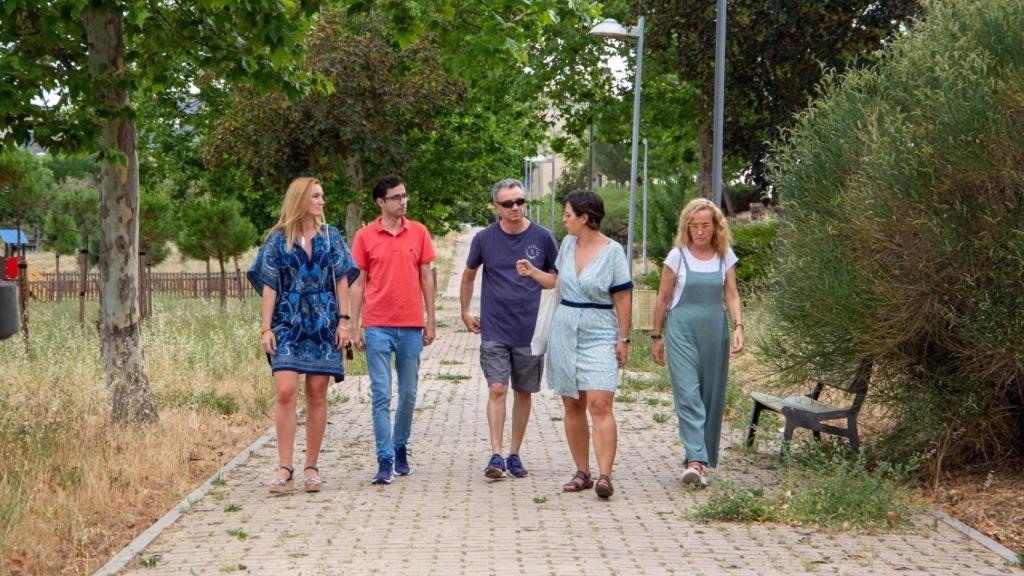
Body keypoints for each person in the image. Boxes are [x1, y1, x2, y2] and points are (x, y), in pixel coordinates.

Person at [516, 190, 632, 499]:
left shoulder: (613, 251)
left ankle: (605, 475)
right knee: (572, 403)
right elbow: (557, 282)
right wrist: (533, 272)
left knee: (600, 402)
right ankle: (583, 471)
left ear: (585, 217)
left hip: (600, 330)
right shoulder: (567, 245)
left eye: (568, 214)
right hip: (565, 328)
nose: (564, 219)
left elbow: (622, 296)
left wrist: (623, 337)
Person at [258, 177, 356, 494]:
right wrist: (265, 328)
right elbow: (269, 284)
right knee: (285, 391)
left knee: (316, 395)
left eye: (322, 195)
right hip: (288, 322)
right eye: (316, 196)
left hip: (324, 323)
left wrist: (344, 322)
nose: (322, 201)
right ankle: (284, 467)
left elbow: (343, 279)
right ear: (301, 199)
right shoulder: (277, 240)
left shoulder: (332, 237)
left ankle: (311, 465)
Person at [460, 179, 558, 479]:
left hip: (531, 329)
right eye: (508, 204)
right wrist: (465, 311)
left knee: (523, 391)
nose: (515, 208)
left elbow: (556, 280)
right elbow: (468, 275)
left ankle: (515, 453)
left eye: (520, 201)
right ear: (496, 208)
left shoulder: (543, 238)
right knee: (497, 388)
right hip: (495, 327)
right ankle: (496, 454)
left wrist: (533, 271)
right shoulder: (484, 239)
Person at [349, 175, 437, 485]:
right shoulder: (364, 236)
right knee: (381, 394)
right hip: (377, 325)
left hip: (411, 325)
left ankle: (400, 446)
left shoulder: (420, 233)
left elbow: (426, 276)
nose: (403, 201)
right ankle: (384, 459)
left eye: (404, 196)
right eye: (396, 197)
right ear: (381, 202)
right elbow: (358, 282)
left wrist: (431, 318)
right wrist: (354, 326)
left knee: (409, 393)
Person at [651, 198, 744, 487]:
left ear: (716, 227)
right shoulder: (676, 257)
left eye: (706, 225)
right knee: (689, 394)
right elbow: (663, 298)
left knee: (711, 396)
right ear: (687, 227)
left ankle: (701, 460)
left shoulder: (724, 255)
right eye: (695, 226)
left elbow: (731, 294)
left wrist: (739, 326)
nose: (701, 232)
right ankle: (695, 460)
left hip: (715, 332)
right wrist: (656, 335)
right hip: (681, 332)